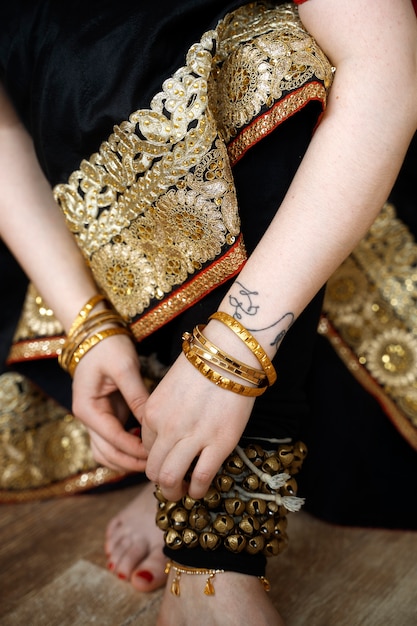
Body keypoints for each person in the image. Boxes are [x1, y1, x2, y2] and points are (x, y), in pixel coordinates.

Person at [1, 1, 416, 624]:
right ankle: (178, 452)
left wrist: (232, 349)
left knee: (235, 44)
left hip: (338, 225)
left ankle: (215, 533)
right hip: (91, 267)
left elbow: (386, 69)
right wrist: (85, 322)